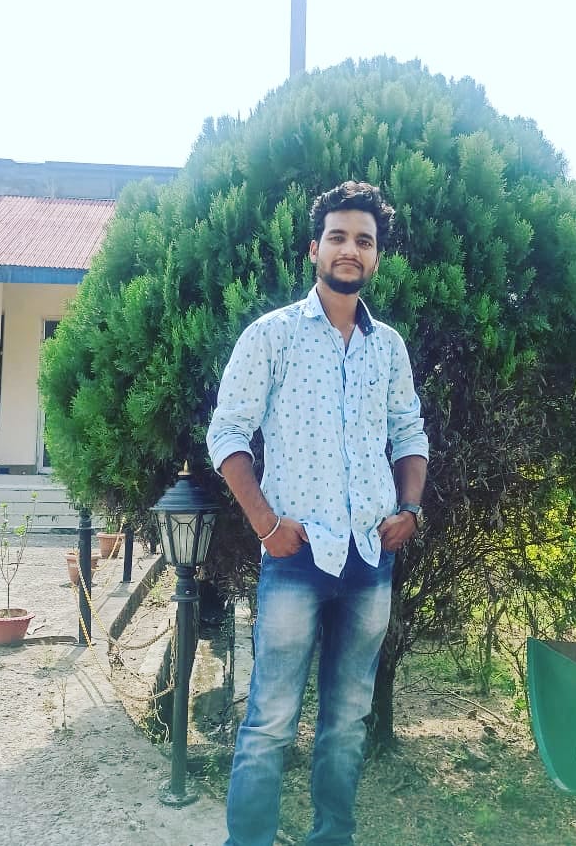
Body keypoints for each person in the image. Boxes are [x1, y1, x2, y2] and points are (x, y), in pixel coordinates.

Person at [207, 180, 429, 846]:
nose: (349, 249)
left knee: (348, 718)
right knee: (271, 718)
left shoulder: (387, 346)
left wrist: (410, 507)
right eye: (337, 237)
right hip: (295, 557)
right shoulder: (271, 336)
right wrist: (266, 525)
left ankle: (333, 835)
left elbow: (409, 432)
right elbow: (227, 433)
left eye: (364, 240)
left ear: (376, 256)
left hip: (369, 560)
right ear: (314, 249)